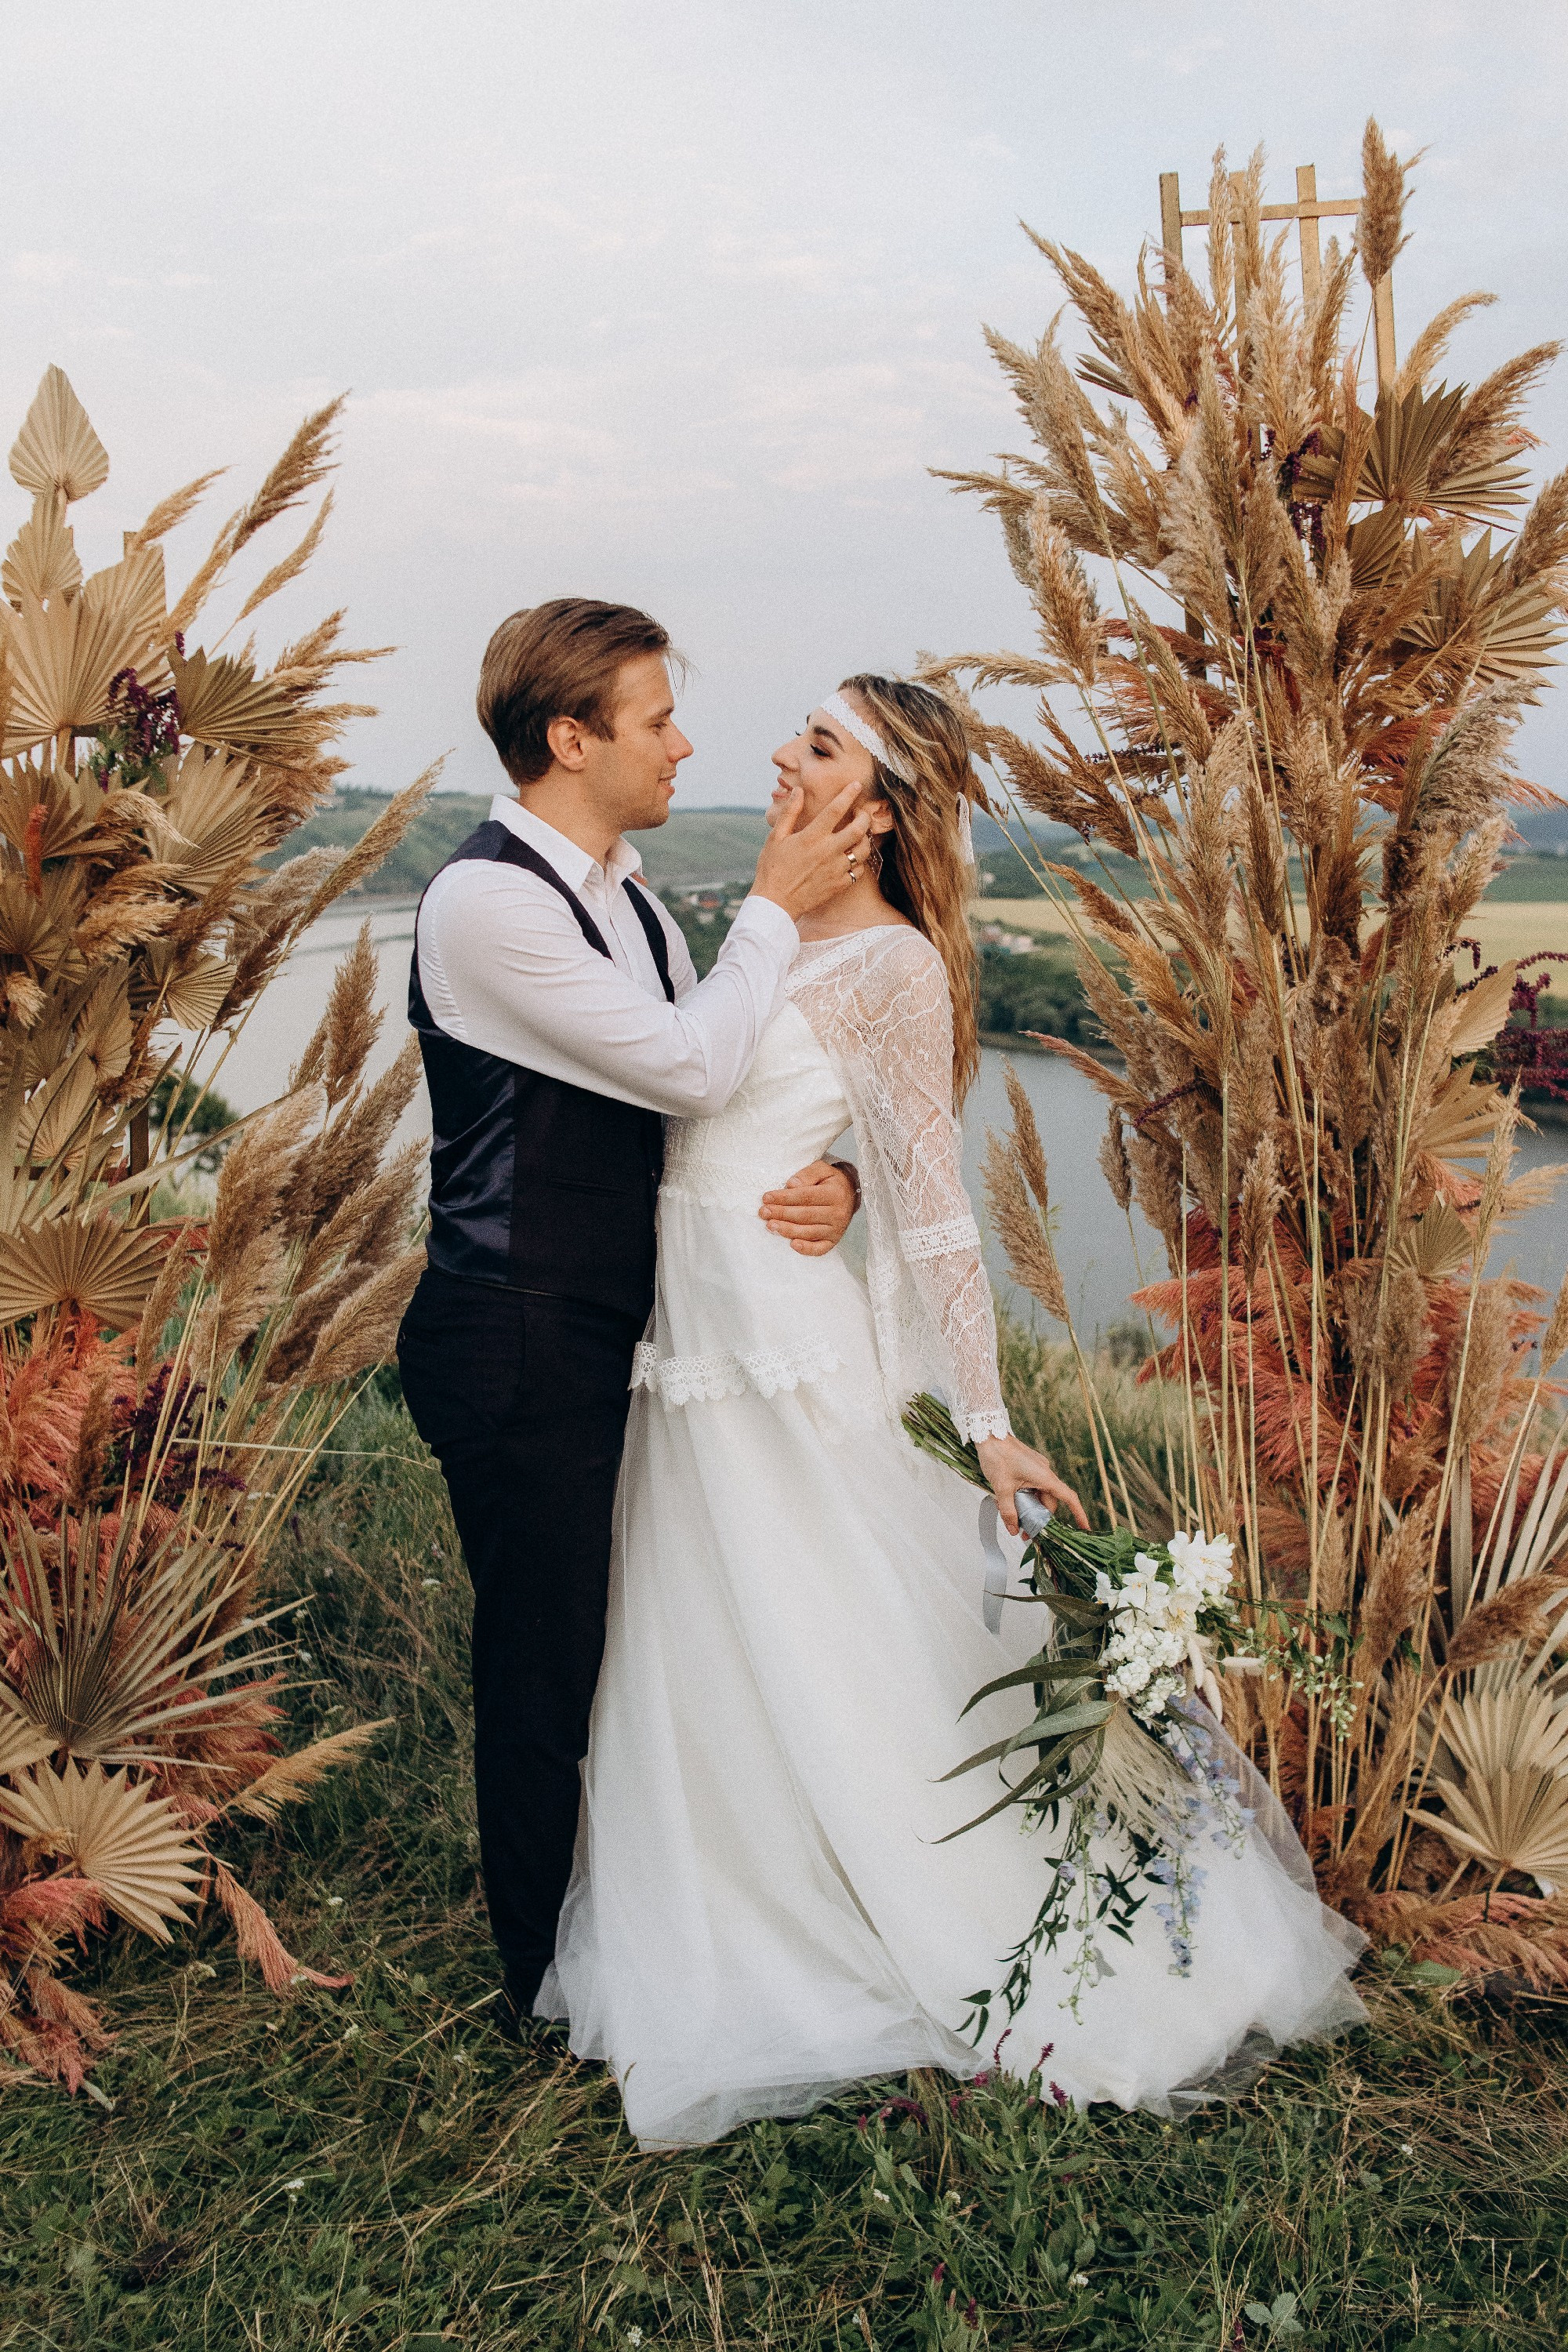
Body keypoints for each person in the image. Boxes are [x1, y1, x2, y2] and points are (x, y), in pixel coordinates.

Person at [542, 675, 1367, 2147]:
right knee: (714, 1628)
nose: (775, 756)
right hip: (694, 1326)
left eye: (816, 747)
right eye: (791, 733)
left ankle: (937, 1903)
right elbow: (692, 1084)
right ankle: (740, 1889)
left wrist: (983, 1420)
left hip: (781, 1344)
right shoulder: (759, 916)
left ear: (875, 815)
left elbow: (934, 1218)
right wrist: (821, 1161)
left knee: (824, 1616)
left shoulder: (899, 970)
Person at [397, 599, 870, 2036]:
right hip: (513, 1326)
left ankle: (641, 1913)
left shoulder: (638, 898)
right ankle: (538, 1988)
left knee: (625, 1638)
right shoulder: (487, 904)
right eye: (656, 719)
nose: (684, 743)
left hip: (621, 1330)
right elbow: (685, 1070)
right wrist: (781, 899)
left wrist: (841, 1171)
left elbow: (721, 1110)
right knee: (545, 1656)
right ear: (570, 738)